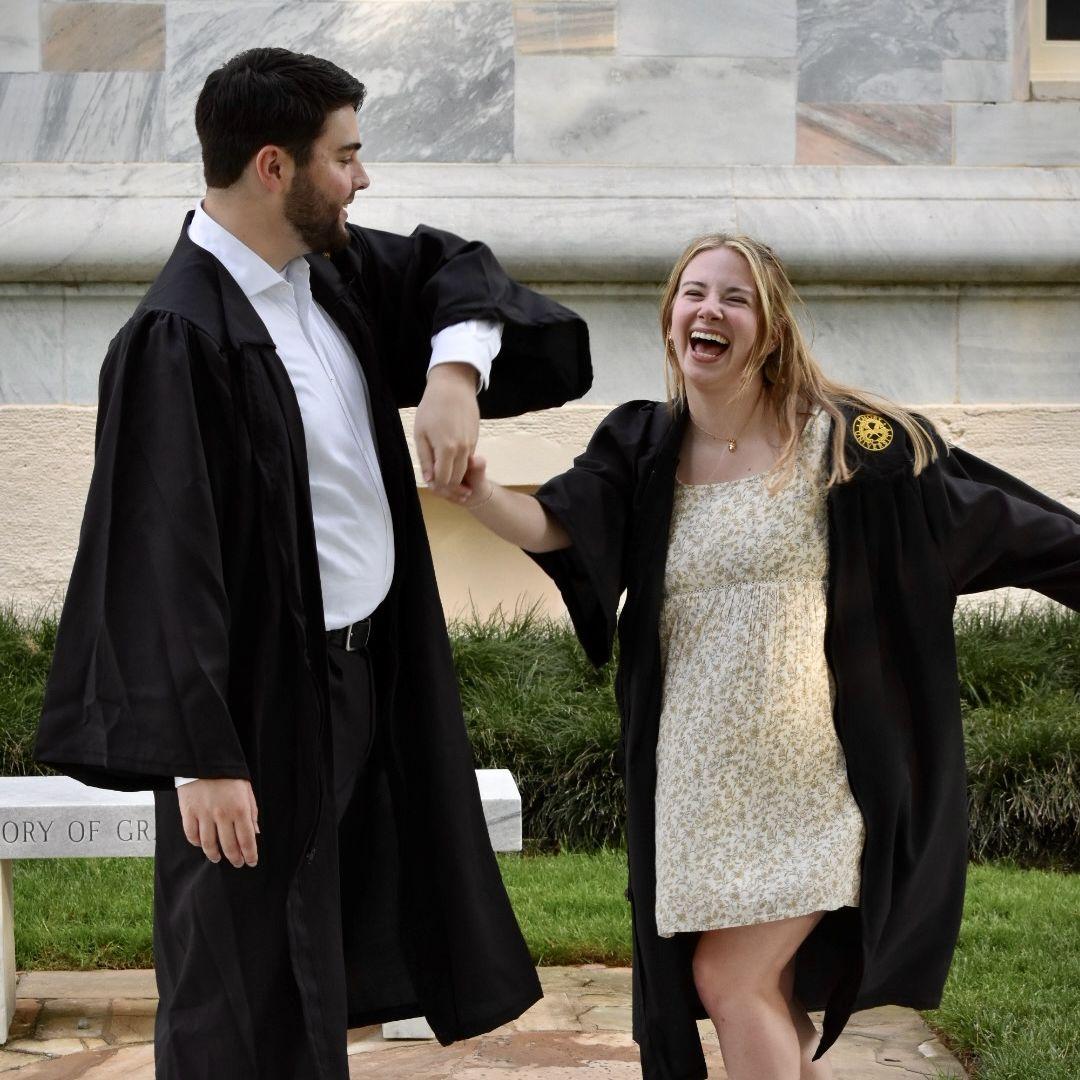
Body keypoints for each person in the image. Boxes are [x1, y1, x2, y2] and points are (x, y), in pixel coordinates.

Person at [35, 47, 591, 1079]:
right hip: (254, 708)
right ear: (275, 167)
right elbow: (160, 553)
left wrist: (456, 374)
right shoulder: (180, 334)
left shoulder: (327, 278)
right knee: (240, 982)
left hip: (364, 675)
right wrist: (202, 756)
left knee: (325, 953)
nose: (363, 179)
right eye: (347, 156)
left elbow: (455, 269)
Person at [432, 233, 1080, 1080]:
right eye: (693, 293)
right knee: (763, 993)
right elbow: (560, 526)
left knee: (728, 978)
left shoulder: (850, 449)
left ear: (769, 328)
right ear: (671, 321)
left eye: (734, 298)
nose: (710, 310)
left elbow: (1004, 525)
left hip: (818, 774)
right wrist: (478, 490)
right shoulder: (644, 446)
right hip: (698, 778)